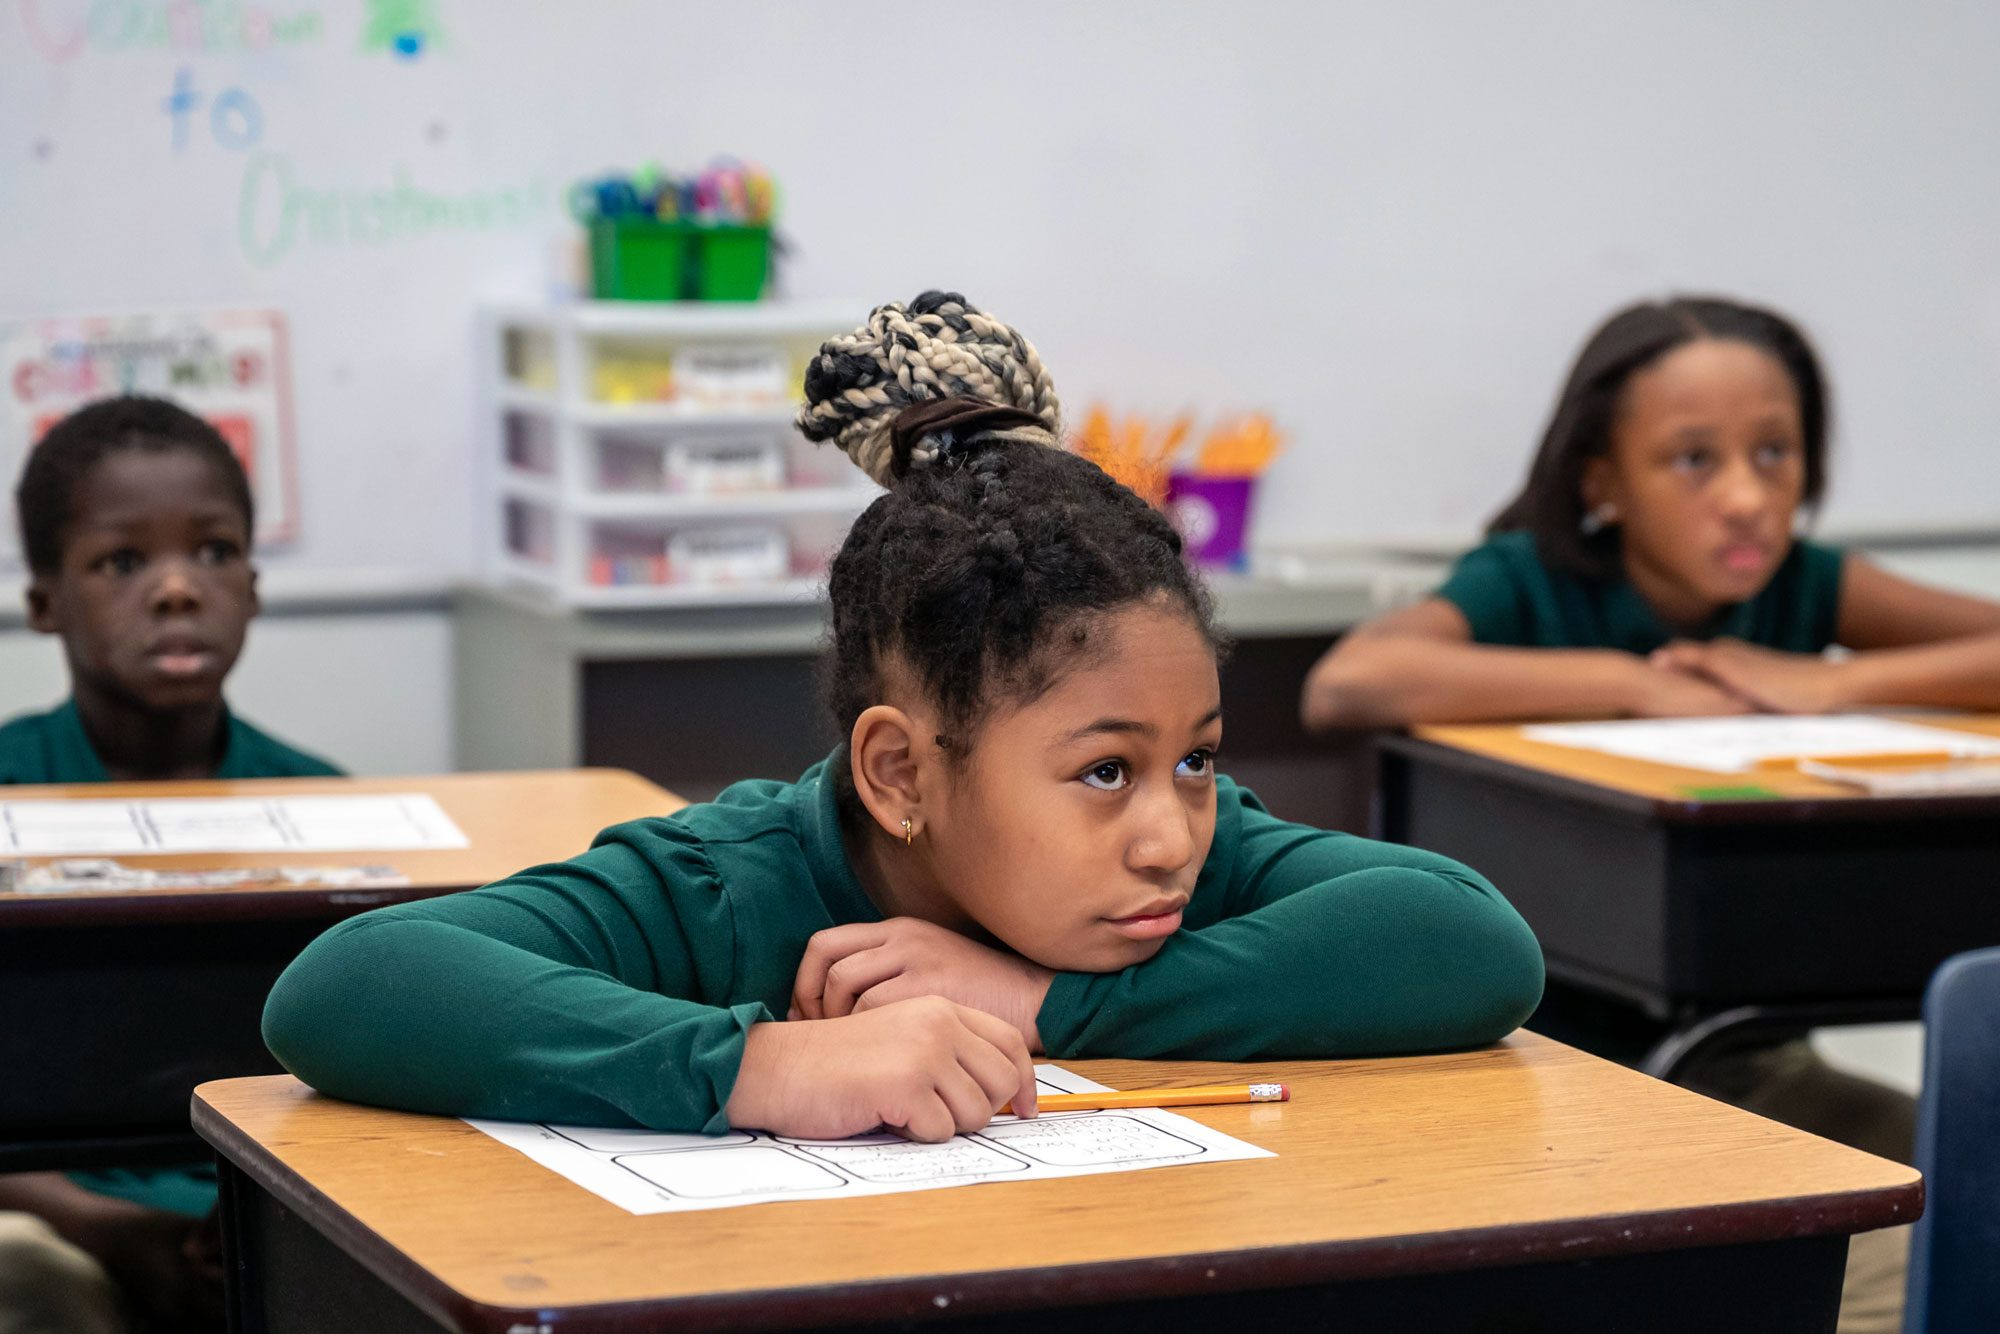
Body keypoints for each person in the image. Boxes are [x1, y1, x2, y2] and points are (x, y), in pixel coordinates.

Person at [263, 291, 1544, 1146]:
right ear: (897, 772)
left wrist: (1040, 1000)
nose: (1169, 832)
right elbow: (353, 985)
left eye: (1198, 758)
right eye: (1104, 771)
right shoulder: (727, 883)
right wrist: (762, 1070)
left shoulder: (1172, 872)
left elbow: (1472, 941)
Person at [1302, 296, 1991, 1333]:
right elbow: (1348, 682)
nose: (1747, 498)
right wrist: (1629, 681)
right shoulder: (1528, 581)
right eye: (1693, 461)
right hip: (1549, 1062)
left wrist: (1822, 684)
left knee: (1953, 1184)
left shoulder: (1805, 588)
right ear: (1600, 484)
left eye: (1775, 452)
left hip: (1750, 1056)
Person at [1, 395, 339, 1334]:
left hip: (274, 1222)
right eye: (122, 561)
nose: (179, 588)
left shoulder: (329, 812)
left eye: (215, 552)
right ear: (43, 602)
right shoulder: (8, 792)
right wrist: (111, 1231)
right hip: (57, 1226)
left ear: (254, 585)